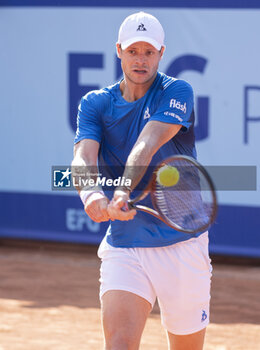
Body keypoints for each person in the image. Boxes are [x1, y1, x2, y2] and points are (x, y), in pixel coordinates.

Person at [72, 11, 212, 350]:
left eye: (149, 52)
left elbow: (147, 144)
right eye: (133, 50)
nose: (140, 59)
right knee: (119, 344)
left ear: (161, 54)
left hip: (182, 243)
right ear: (119, 50)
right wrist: (90, 195)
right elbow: (82, 158)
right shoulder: (95, 104)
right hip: (125, 245)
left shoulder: (176, 91)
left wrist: (121, 191)